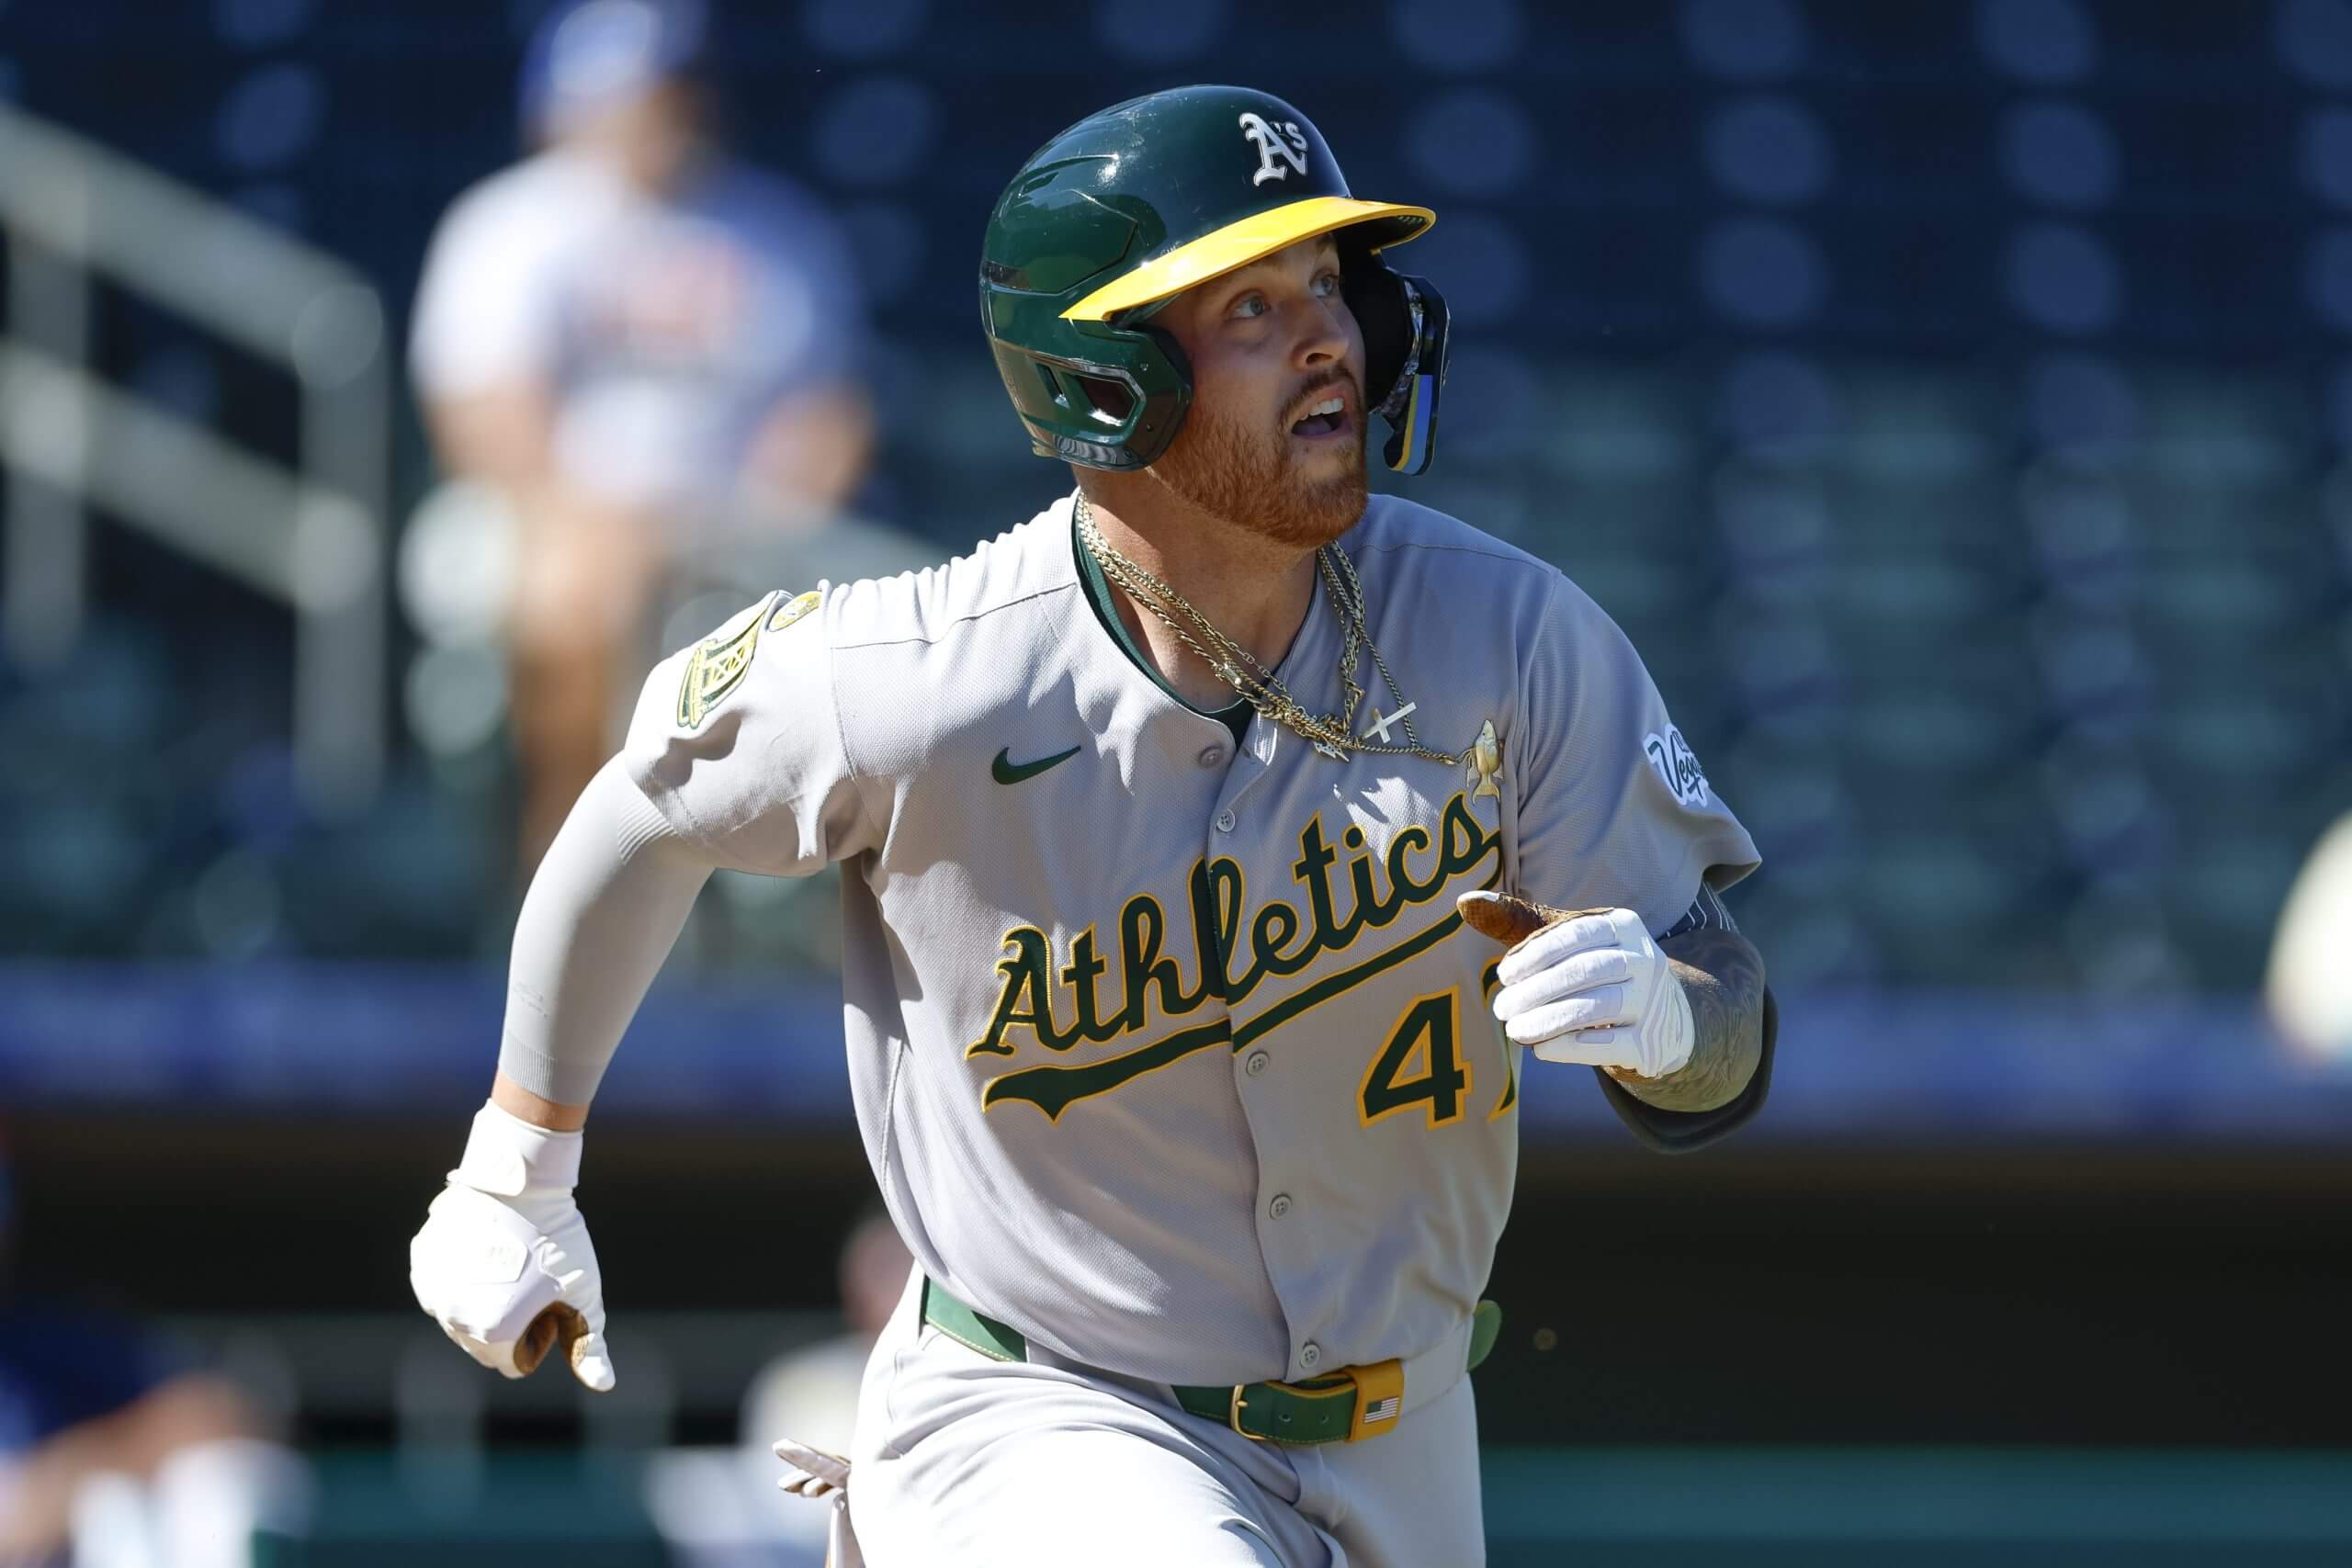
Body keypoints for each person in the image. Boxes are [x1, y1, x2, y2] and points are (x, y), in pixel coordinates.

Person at [408, 85, 1776, 1567]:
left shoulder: (1513, 633)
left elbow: (1725, 1034)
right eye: (1250, 305)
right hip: (1043, 1410)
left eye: (1331, 286)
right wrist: (515, 1165)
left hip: (1410, 1429)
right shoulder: (924, 672)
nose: (1328, 337)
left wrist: (1667, 1016)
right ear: (1105, 379)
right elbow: (641, 814)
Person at [410, 0, 876, 871]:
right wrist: (606, 527)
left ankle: (800, 933)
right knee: (572, 591)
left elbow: (828, 421)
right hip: (544, 517)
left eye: (671, 95)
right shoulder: (509, 224)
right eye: (630, 98)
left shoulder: (779, 229)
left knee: (884, 625)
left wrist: (750, 523)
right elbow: (484, 422)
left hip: (736, 525)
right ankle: (565, 870)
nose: (655, 119)